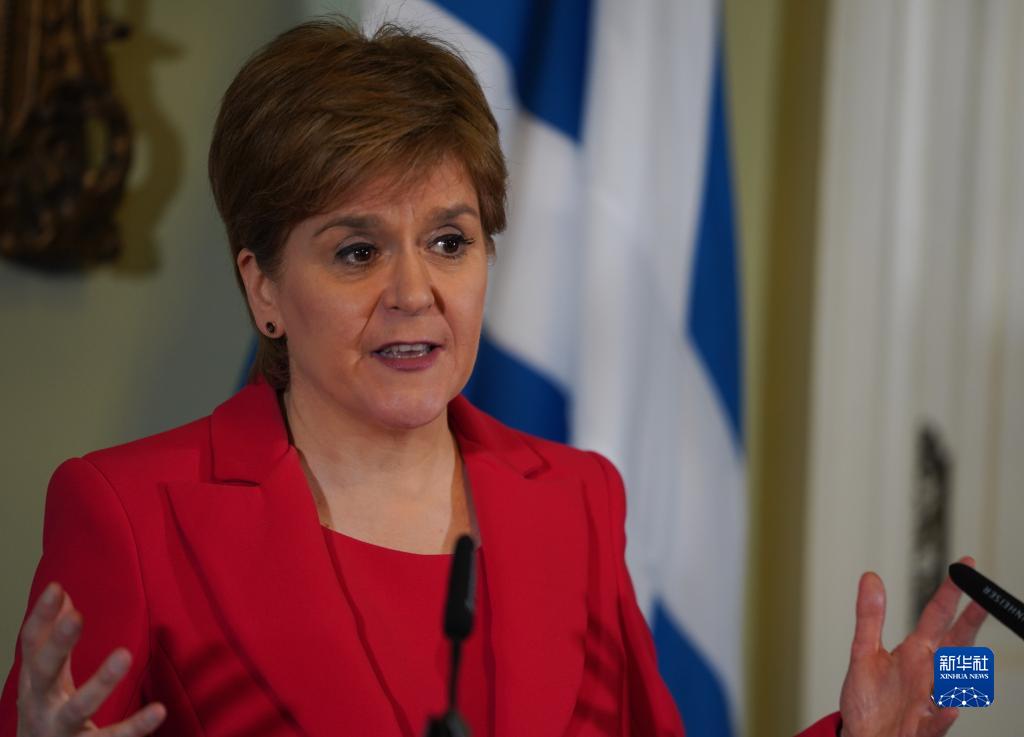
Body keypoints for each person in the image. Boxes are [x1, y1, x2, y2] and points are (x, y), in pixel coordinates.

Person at [1, 18, 988, 737]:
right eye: (356, 251)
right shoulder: (126, 512)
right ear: (262, 286)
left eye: (449, 240)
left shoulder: (578, 499)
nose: (414, 292)